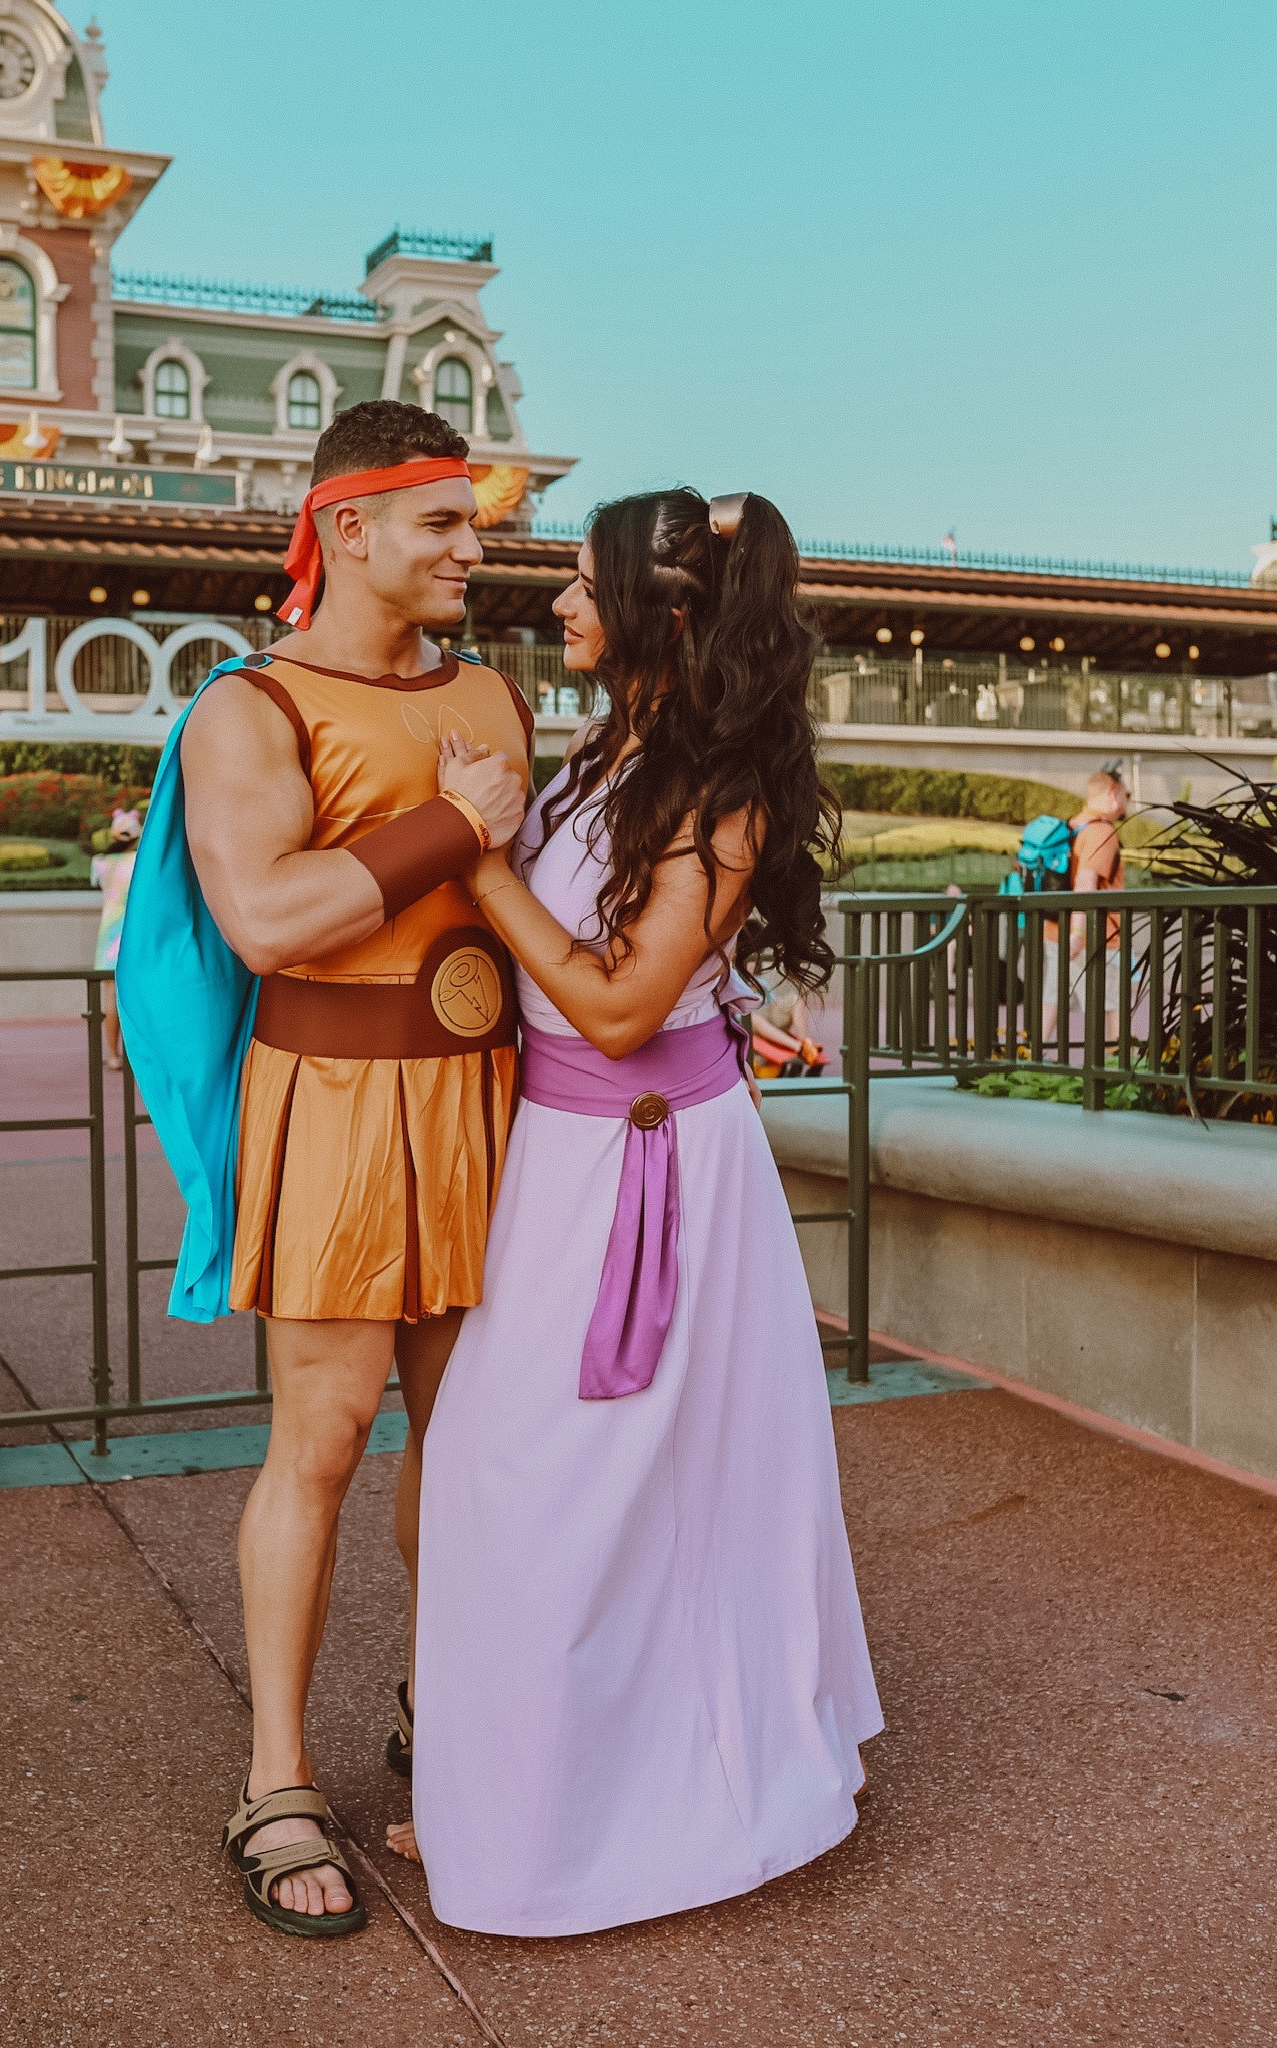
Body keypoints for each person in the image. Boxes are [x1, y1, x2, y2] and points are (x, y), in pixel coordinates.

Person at [388, 488, 883, 1936]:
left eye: (582, 582)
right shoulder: (607, 754)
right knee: (516, 1475)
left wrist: (477, 863)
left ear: (661, 613)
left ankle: (615, 1811)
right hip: (557, 1154)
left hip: (642, 1160)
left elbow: (613, 1008)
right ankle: (519, 1791)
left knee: (569, 1484)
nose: (558, 603)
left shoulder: (720, 790)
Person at [118, 399, 530, 1939]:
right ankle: (276, 1778)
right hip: (337, 1104)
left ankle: (451, 1714)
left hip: (493, 1102)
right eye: (444, 522)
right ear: (348, 529)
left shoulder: (490, 690)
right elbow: (269, 919)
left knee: (473, 1440)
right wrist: (449, 823)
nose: (473, 550)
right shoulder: (252, 708)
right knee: (325, 1440)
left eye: (475, 522)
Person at [1041, 767, 1130, 1048]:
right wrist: (1078, 934)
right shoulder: (1101, 831)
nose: (1128, 801)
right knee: (1112, 1001)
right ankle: (1116, 1058)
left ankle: (1032, 1053)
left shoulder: (1073, 825)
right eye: (1126, 794)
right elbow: (1085, 882)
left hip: (1056, 928)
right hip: (1095, 934)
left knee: (1053, 996)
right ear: (1113, 793)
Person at [90, 807, 141, 1070]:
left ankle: (112, 1054)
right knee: (138, 995)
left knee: (110, 996)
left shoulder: (100, 862)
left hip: (109, 933)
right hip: (134, 932)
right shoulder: (139, 861)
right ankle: (139, 1057)